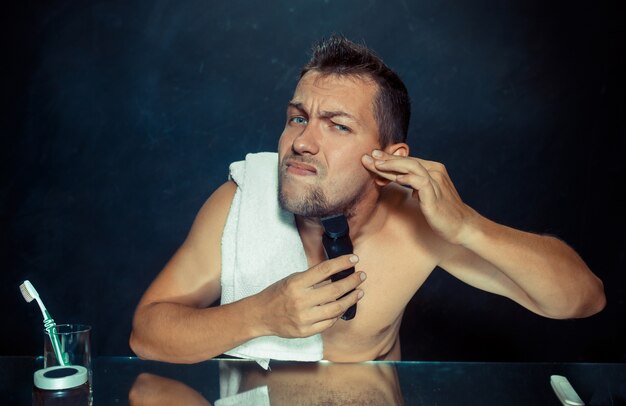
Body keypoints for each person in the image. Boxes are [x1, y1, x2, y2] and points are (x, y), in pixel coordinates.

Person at [129, 35, 605, 363]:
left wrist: (467, 226)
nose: (302, 142)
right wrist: (259, 314)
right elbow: (146, 334)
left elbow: (581, 300)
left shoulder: (420, 227)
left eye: (338, 126)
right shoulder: (240, 199)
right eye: (298, 118)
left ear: (388, 160)